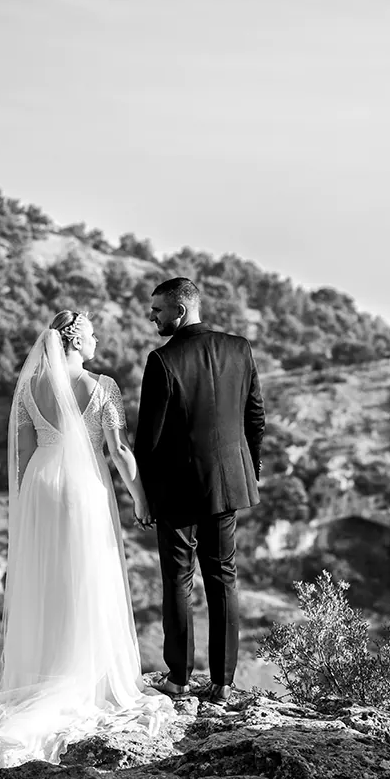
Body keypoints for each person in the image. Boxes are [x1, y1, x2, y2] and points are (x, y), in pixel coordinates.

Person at [0, 310, 173, 769]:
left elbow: (20, 455)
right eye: (93, 335)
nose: (98, 342)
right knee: (86, 574)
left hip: (39, 484)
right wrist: (141, 499)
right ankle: (80, 672)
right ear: (76, 342)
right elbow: (118, 450)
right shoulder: (104, 387)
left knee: (47, 578)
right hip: (82, 487)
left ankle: (42, 667)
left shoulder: (29, 388)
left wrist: (21, 509)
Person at [134, 278, 266, 705]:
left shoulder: (163, 360)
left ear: (180, 310)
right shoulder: (239, 347)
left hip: (177, 490)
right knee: (223, 577)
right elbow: (255, 418)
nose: (151, 316)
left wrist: (146, 495)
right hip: (229, 484)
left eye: (157, 310)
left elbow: (148, 442)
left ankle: (178, 679)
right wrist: (250, 469)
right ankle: (224, 683)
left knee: (178, 581)